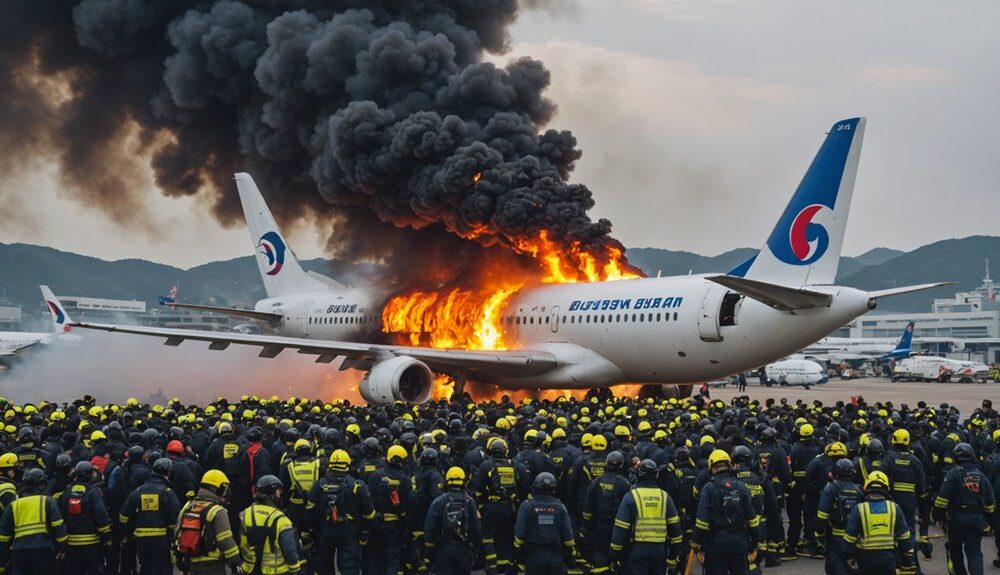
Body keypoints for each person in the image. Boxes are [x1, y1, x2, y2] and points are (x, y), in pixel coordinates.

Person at [306, 449, 373, 575]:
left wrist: (313, 529)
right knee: (349, 568)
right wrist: (365, 531)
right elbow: (369, 512)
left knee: (324, 566)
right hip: (349, 532)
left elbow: (310, 510)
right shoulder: (356, 486)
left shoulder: (319, 485)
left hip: (326, 531)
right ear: (347, 465)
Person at [692, 450, 759, 575]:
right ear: (729, 465)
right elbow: (752, 520)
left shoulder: (708, 488)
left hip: (716, 542)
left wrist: (696, 544)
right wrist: (754, 544)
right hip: (739, 540)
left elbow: (702, 522)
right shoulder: (741, 486)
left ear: (711, 467)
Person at [933, 442, 996, 575]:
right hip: (976, 520)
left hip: (957, 520)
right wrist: (989, 520)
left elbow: (942, 498)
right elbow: (990, 501)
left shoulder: (953, 474)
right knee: (974, 552)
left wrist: (937, 516)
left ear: (956, 457)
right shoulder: (981, 475)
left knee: (955, 551)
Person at [611, 459, 683, 574]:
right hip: (659, 551)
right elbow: (675, 527)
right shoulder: (665, 497)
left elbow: (621, 527)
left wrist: (615, 552)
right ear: (656, 475)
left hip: (637, 550)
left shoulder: (631, 496)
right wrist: (674, 553)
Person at [843, 470, 915, 575]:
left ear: (866, 488)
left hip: (864, 560)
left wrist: (848, 557)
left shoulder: (859, 509)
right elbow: (904, 538)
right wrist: (907, 561)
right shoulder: (894, 508)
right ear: (886, 488)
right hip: (888, 559)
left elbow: (849, 538)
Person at [118, 457, 181, 575]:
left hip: (142, 540)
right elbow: (176, 516)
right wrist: (173, 535)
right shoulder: (167, 492)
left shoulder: (138, 491)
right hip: (162, 540)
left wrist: (128, 532)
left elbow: (123, 515)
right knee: (162, 569)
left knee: (146, 567)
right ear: (168, 472)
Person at [0, 468, 67, 575]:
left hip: (19, 553)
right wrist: (62, 548)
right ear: (41, 485)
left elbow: (4, 536)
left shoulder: (13, 505)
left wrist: (2, 561)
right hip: (43, 551)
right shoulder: (47, 501)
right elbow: (58, 526)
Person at [173, 469, 241, 575]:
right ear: (219, 489)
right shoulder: (218, 511)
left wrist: (178, 558)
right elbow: (225, 540)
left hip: (189, 563)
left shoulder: (188, 506)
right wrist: (235, 562)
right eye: (225, 488)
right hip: (212, 565)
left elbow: (177, 532)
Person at [424, 467, 487, 575]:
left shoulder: (438, 502)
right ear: (464, 482)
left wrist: (429, 553)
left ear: (446, 482)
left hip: (442, 550)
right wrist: (479, 551)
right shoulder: (470, 502)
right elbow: (477, 529)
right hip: (464, 550)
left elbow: (430, 529)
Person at [239, 475, 302, 575]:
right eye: (278, 491)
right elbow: (290, 552)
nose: (280, 494)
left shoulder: (244, 515)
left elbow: (242, 544)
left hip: (251, 570)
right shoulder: (281, 520)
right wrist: (295, 570)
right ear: (271, 493)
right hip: (277, 571)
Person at [514, 472, 575, 575]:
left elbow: (519, 534)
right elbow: (568, 535)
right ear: (554, 488)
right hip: (555, 557)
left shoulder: (527, 506)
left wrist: (518, 553)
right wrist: (569, 554)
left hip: (533, 558)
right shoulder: (560, 507)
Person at [57, 461, 111, 575]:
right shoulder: (92, 491)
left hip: (71, 543)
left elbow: (61, 514)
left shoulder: (67, 492)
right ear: (90, 475)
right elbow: (101, 515)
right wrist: (106, 537)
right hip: (91, 543)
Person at [581, 450, 631, 574]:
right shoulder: (624, 483)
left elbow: (588, 506)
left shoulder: (597, 481)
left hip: (599, 525)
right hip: (618, 527)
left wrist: (586, 525)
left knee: (600, 554)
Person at [366, 444, 413, 575]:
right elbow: (409, 504)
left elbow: (368, 498)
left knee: (376, 558)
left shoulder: (376, 475)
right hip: (394, 527)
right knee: (392, 559)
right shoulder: (405, 480)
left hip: (376, 525)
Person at [815, 458, 862, 575]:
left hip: (835, 536)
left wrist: (819, 534)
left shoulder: (831, 488)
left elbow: (822, 515)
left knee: (836, 566)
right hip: (854, 538)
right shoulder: (858, 490)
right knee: (851, 566)